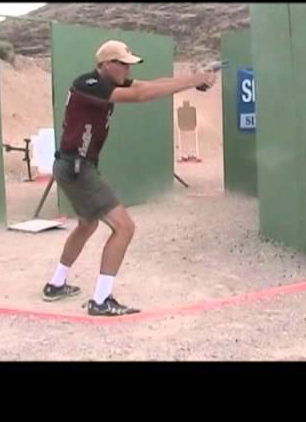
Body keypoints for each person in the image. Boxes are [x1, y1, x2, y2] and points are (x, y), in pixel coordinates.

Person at [42, 40, 216, 316]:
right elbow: (142, 95)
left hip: (74, 166)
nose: (126, 69)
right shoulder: (88, 83)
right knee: (124, 228)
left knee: (87, 225)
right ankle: (101, 301)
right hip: (77, 168)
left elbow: (148, 85)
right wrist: (194, 79)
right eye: (122, 64)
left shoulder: (105, 83)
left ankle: (56, 283)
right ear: (105, 64)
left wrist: (192, 81)